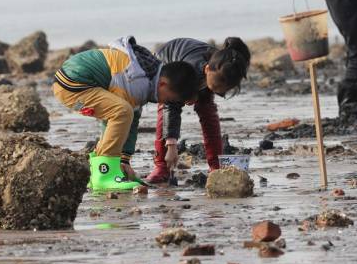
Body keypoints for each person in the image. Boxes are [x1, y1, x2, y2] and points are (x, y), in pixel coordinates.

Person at [53, 36, 199, 192]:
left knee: (123, 112)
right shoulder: (137, 81)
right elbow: (115, 118)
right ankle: (105, 173)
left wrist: (124, 160)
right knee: (121, 112)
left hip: (74, 83)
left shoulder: (146, 75)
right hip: (73, 85)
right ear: (163, 83)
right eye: (169, 98)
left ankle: (100, 172)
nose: (166, 102)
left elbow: (131, 121)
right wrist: (114, 162)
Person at [145, 37, 251, 184]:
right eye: (214, 87)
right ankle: (161, 166)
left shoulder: (225, 68)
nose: (215, 91)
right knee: (166, 105)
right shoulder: (192, 71)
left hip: (200, 76)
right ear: (207, 69)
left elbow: (209, 104)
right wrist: (171, 145)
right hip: (168, 62)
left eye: (221, 91)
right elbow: (171, 107)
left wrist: (201, 93)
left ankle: (215, 166)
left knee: (207, 111)